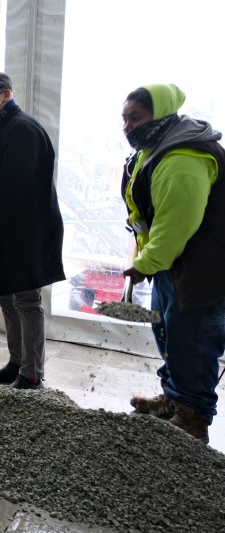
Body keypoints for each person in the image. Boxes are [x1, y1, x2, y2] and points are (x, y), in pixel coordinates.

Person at [121, 84, 225, 444]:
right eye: (125, 119)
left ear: (162, 113)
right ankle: (174, 399)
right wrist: (148, 257)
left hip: (202, 269)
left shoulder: (183, 158)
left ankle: (192, 418)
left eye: (136, 117)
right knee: (168, 334)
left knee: (192, 341)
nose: (128, 126)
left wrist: (148, 261)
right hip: (174, 264)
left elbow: (178, 221)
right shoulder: (157, 149)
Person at [0, 72, 65, 390]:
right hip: (10, 227)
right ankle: (17, 361)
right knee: (6, 296)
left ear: (5, 94)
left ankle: (32, 373)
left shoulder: (20, 129)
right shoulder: (6, 128)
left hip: (24, 229)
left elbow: (13, 186)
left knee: (26, 300)